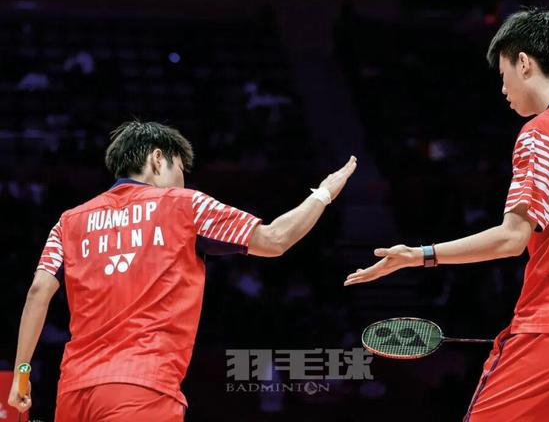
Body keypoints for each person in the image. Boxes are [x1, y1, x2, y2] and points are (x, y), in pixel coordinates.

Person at [344, 7, 549, 421]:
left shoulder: (545, 132)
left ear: (524, 63)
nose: (502, 89)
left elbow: (511, 239)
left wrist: (419, 254)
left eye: (503, 75)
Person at [8, 121, 357, 421]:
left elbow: (38, 292)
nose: (183, 182)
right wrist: (323, 194)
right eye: (181, 170)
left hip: (74, 392)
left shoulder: (69, 221)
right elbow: (275, 240)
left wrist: (21, 375)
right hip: (142, 387)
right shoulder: (185, 205)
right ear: (158, 158)